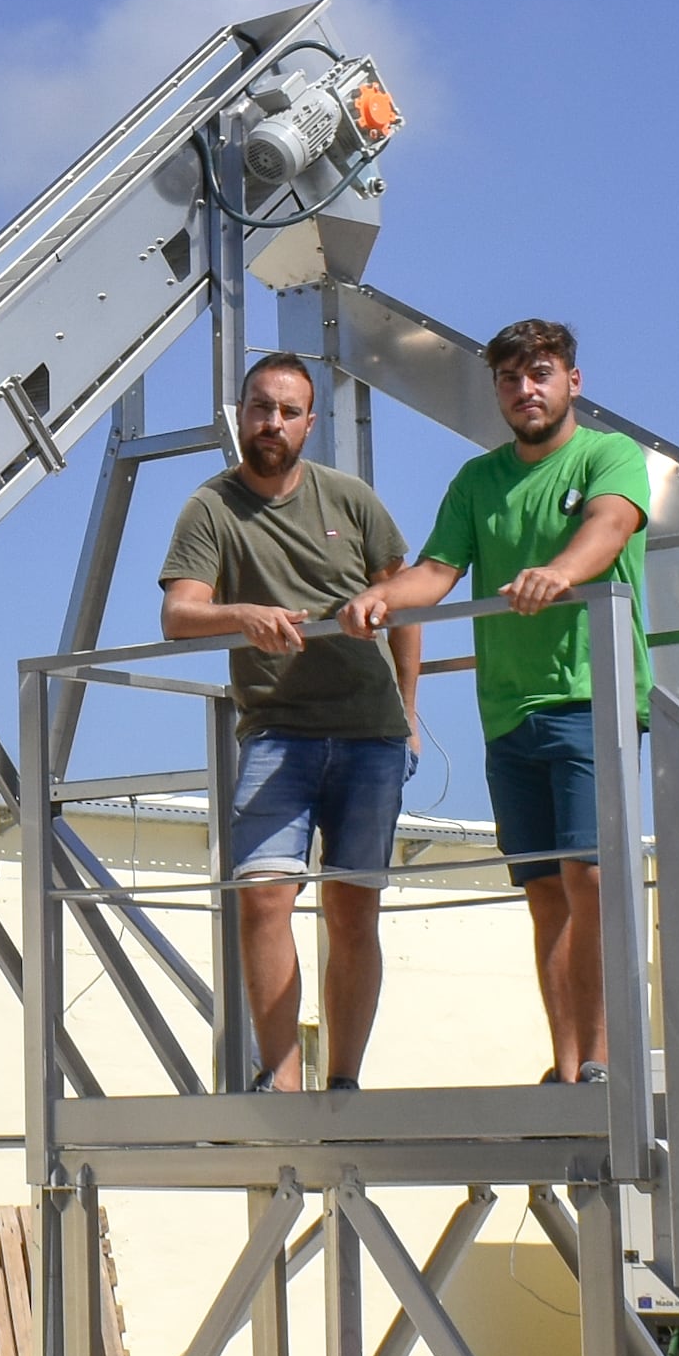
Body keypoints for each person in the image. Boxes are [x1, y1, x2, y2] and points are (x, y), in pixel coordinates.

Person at [342, 319, 651, 1088]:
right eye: (510, 379)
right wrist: (380, 598)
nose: (525, 389)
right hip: (508, 711)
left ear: (572, 381)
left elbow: (609, 527)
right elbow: (435, 573)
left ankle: (608, 1059)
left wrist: (557, 571)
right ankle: (571, 1060)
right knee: (545, 892)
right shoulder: (477, 481)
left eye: (540, 373)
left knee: (591, 878)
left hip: (591, 697)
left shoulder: (609, 455)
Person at [159, 352, 425, 1091]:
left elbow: (399, 598)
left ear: (310, 422)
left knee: (351, 908)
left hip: (370, 730)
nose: (270, 422)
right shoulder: (209, 507)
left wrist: (409, 714)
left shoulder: (351, 499)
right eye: (258, 407)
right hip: (278, 731)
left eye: (285, 410)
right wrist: (239, 614)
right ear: (239, 413)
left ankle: (343, 1082)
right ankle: (279, 1081)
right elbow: (178, 612)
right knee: (264, 898)